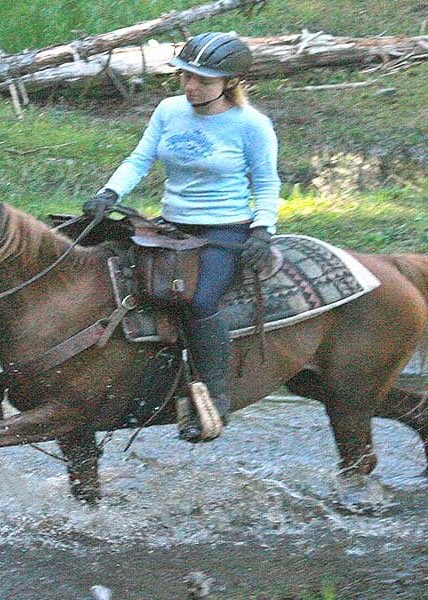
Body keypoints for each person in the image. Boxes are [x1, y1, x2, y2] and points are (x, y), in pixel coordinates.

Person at [83, 31, 281, 442]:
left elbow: (266, 182)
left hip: (223, 230)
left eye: (203, 81)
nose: (191, 87)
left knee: (199, 300)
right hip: (171, 225)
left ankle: (215, 396)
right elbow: (140, 159)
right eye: (186, 77)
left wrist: (262, 229)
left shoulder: (251, 125)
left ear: (230, 82)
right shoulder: (169, 110)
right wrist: (110, 192)